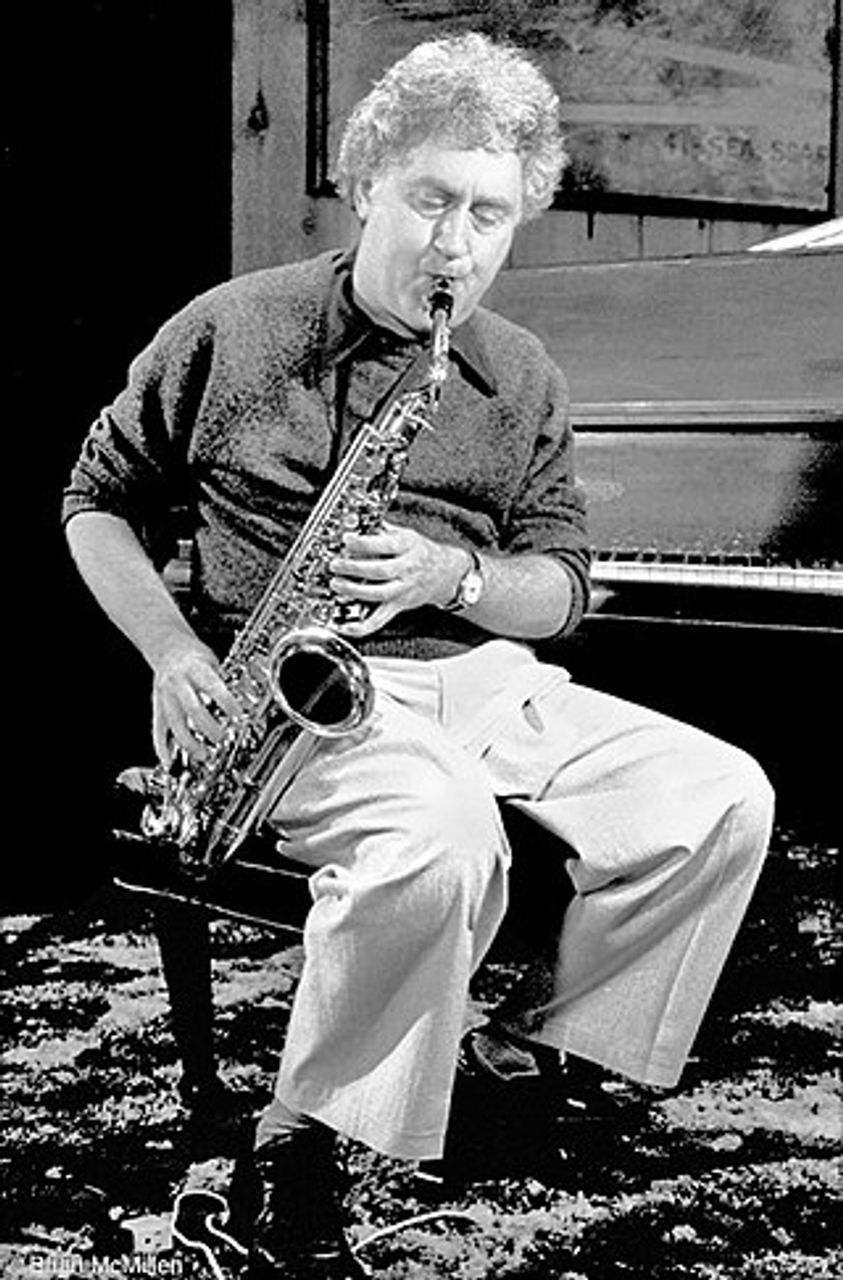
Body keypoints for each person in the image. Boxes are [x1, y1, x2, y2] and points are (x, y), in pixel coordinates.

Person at [62, 31, 774, 1280]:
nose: (455, 247)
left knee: (721, 795)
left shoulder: (519, 372)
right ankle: (300, 1144)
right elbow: (93, 500)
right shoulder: (233, 327)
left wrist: (457, 577)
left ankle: (524, 1050)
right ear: (365, 185)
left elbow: (562, 590)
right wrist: (171, 652)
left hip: (486, 681)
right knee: (443, 831)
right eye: (431, 201)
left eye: (488, 216)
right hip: (302, 699)